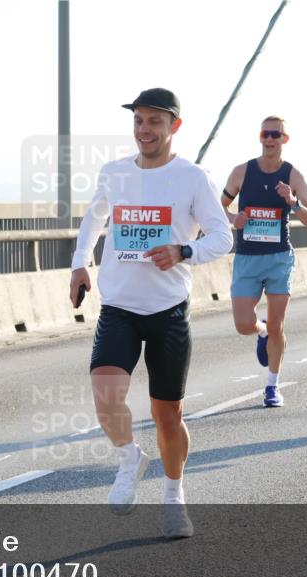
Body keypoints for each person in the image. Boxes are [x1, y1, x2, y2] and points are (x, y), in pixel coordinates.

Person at [69, 88, 233, 539]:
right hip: (119, 306)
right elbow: (95, 218)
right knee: (105, 394)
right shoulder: (115, 173)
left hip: (167, 312)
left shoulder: (193, 178)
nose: (144, 130)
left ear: (173, 126)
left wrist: (184, 250)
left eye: (154, 122)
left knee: (168, 415)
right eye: (139, 121)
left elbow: (223, 237)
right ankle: (128, 457)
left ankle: (174, 494)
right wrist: (80, 263)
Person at [221, 116, 307, 407]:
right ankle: (259, 330)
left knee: (278, 325)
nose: (270, 139)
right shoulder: (242, 172)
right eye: (266, 133)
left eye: (276, 134)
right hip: (247, 257)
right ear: (260, 136)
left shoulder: (293, 176)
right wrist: (233, 220)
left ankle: (272, 386)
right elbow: (218, 206)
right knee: (242, 324)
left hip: (278, 258)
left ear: (284, 139)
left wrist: (293, 203)